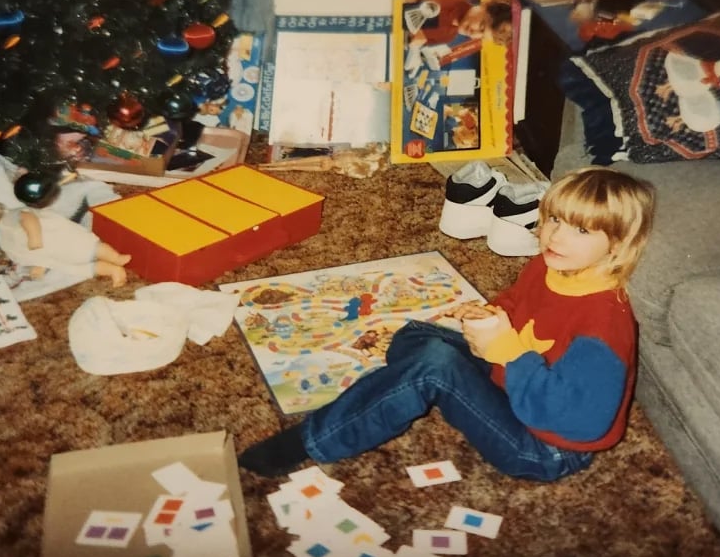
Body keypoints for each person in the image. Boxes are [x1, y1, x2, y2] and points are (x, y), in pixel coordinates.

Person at [238, 166, 655, 483]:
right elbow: (516, 303)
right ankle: (401, 389)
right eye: (553, 219)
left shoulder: (604, 326)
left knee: (435, 365)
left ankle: (311, 440)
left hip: (545, 447)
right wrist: (488, 313)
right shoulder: (551, 266)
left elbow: (577, 422)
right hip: (514, 378)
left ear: (616, 246)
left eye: (581, 230)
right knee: (417, 336)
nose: (556, 237)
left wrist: (508, 351)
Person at [0, 196, 132, 287]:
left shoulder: (8, 219)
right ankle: (113, 270)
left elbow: (28, 217)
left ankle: (115, 257)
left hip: (58, 238)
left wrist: (34, 236)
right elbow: (25, 253)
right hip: (51, 256)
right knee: (75, 268)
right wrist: (39, 265)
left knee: (88, 247)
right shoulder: (6, 246)